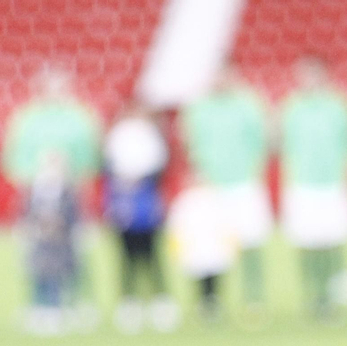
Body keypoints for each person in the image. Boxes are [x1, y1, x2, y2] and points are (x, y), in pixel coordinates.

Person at [1, 63, 103, 329]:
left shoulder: (80, 116)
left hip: (70, 193)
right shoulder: (26, 118)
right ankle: (39, 303)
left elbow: (89, 158)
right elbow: (16, 158)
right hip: (38, 195)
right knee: (36, 257)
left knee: (75, 255)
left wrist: (78, 191)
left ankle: (77, 302)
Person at [181, 65, 273, 315]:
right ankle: (211, 298)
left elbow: (261, 141)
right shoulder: (199, 108)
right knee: (210, 245)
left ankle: (253, 296)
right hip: (211, 186)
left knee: (250, 241)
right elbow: (191, 144)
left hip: (243, 183)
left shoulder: (249, 105)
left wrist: (254, 170)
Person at [280, 56, 347, 319]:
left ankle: (332, 296)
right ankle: (312, 294)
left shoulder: (339, 106)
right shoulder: (292, 107)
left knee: (333, 240)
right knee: (306, 241)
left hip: (332, 182)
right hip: (303, 183)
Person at [102, 102, 178, 332]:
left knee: (152, 255)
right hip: (123, 203)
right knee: (126, 257)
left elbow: (159, 167)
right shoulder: (118, 135)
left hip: (145, 202)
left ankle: (160, 301)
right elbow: (108, 166)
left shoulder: (150, 136)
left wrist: (141, 179)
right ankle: (129, 302)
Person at [18, 150, 80, 334]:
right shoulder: (35, 191)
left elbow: (72, 216)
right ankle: (38, 308)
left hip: (59, 241)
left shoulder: (67, 191)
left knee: (56, 276)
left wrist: (58, 224)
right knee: (38, 275)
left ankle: (55, 310)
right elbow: (26, 213)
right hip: (39, 240)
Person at [168, 181, 238, 321]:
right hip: (197, 247)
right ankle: (205, 303)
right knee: (201, 276)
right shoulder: (187, 200)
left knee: (213, 276)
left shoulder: (213, 198)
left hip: (212, 247)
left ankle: (211, 302)